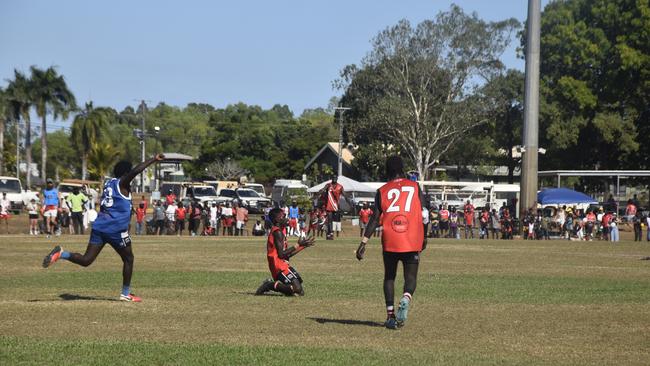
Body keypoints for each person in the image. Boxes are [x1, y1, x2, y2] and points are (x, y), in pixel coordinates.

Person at [42, 153, 164, 302]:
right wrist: (153, 159)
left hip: (99, 227)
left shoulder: (109, 183)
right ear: (125, 174)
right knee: (129, 259)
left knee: (87, 260)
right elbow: (135, 172)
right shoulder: (122, 183)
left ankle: (62, 254)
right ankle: (125, 293)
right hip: (115, 230)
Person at [355, 156, 426, 330]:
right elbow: (424, 213)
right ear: (402, 168)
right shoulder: (415, 186)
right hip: (411, 237)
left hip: (391, 238)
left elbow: (374, 219)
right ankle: (406, 297)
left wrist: (363, 242)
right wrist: (425, 236)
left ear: (387, 170)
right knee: (410, 277)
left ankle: (390, 316)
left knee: (389, 277)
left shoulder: (382, 190)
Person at [255, 208, 315, 296]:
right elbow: (281, 254)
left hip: (283, 264)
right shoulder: (277, 232)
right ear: (277, 220)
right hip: (278, 266)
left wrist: (302, 246)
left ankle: (276, 286)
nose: (287, 219)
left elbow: (287, 254)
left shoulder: (281, 230)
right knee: (297, 289)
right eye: (284, 216)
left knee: (300, 292)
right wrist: (298, 245)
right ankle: (269, 285)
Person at [320, 175, 345, 240]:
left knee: (334, 220)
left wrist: (349, 202)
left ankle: (330, 233)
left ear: (337, 179)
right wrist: (321, 191)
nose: (334, 179)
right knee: (329, 220)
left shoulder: (340, 187)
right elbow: (323, 189)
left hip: (336, 206)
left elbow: (345, 195)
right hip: (329, 205)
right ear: (331, 178)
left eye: (335, 178)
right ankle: (330, 233)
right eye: (333, 178)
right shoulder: (328, 185)